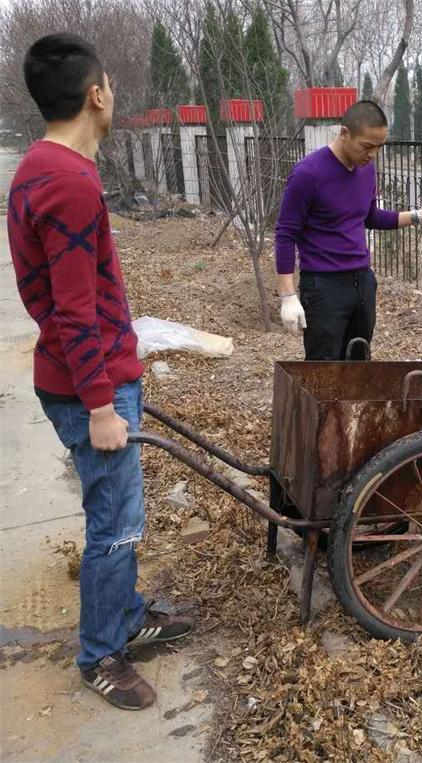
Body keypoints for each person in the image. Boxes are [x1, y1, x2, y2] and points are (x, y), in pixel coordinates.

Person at [7, 34, 193, 710]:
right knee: (114, 524)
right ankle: (99, 653)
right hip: (90, 385)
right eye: (110, 83)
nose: (113, 93)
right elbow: (74, 311)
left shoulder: (41, 167)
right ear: (96, 94)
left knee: (121, 516)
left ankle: (127, 616)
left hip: (89, 374)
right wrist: (100, 404)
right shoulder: (69, 183)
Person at [275, 99, 422, 359]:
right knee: (324, 369)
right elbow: (285, 233)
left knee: (359, 363)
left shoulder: (366, 170)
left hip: (363, 283)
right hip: (324, 288)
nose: (373, 154)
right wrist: (288, 295)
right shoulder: (308, 174)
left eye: (379, 147)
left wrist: (417, 216)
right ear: (345, 133)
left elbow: (370, 216)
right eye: (367, 146)